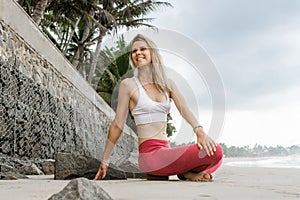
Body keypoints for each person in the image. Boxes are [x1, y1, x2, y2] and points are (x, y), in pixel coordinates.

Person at [94, 34, 223, 182]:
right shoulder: (128, 85)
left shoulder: (168, 84)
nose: (138, 53)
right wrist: (105, 160)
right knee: (216, 151)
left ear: (152, 53)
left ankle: (184, 172)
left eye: (143, 49)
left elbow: (184, 109)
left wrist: (199, 130)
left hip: (165, 151)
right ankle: (185, 172)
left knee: (215, 151)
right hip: (149, 156)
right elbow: (117, 125)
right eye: (134, 51)